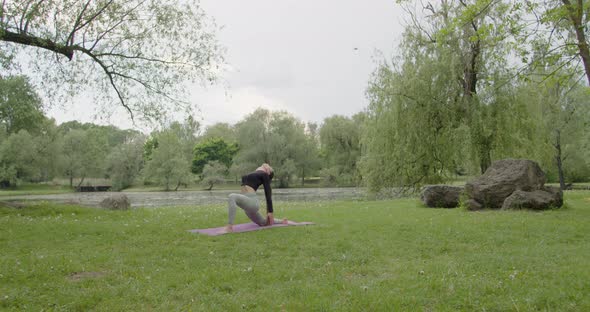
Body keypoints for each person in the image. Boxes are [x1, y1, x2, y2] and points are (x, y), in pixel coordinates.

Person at [225, 163, 287, 233]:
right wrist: (265, 165)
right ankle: (282, 221)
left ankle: (229, 227)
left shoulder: (264, 174)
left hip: (252, 202)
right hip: (247, 205)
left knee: (232, 196)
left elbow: (268, 194)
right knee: (264, 223)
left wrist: (270, 211)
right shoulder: (255, 173)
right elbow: (263, 165)